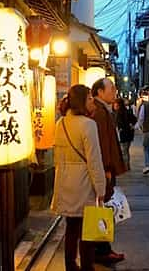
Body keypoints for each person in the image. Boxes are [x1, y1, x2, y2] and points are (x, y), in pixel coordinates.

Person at [51, 85, 106, 271]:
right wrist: (101, 189)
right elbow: (94, 160)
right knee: (87, 232)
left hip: (65, 183)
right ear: (82, 101)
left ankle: (70, 265)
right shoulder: (89, 125)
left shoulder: (60, 123)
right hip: (83, 184)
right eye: (90, 98)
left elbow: (57, 157)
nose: (92, 101)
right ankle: (87, 267)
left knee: (71, 228)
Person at [90, 78, 128, 264]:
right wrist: (105, 168)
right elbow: (101, 143)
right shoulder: (99, 112)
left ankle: (103, 248)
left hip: (105, 167)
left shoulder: (102, 109)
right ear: (99, 92)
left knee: (103, 208)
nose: (115, 91)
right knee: (103, 208)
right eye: (111, 88)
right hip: (104, 169)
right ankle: (102, 250)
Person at [113, 98, 137, 170]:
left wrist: (120, 128)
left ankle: (125, 167)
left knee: (124, 151)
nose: (114, 105)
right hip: (129, 134)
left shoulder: (119, 113)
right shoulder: (127, 111)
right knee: (126, 151)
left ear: (118, 104)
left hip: (123, 134)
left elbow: (119, 124)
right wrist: (131, 126)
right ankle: (127, 166)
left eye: (115, 104)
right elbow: (134, 119)